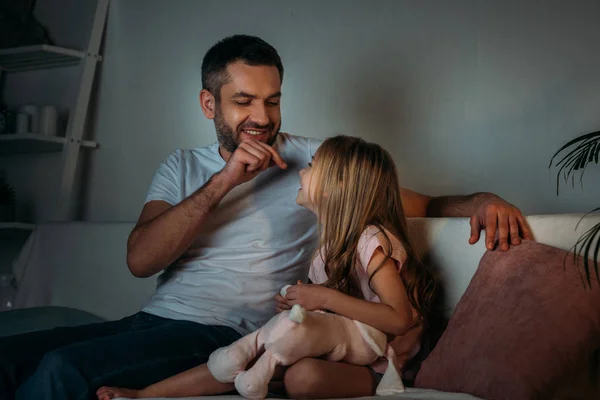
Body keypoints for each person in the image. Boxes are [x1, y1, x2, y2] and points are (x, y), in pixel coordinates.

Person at [0, 34, 533, 400]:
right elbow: (141, 260)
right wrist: (225, 180)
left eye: (273, 101)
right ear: (210, 105)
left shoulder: (319, 163)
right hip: (153, 322)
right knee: (12, 356)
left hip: (223, 332)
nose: (262, 117)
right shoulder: (183, 167)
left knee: (61, 371)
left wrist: (482, 201)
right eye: (244, 102)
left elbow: (412, 204)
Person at [96, 135, 436, 400]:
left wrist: (323, 299)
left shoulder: (370, 241)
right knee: (253, 351)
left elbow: (398, 318)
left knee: (299, 377)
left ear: (339, 186)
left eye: (312, 166)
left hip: (380, 364)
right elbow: (336, 316)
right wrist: (300, 305)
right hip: (342, 352)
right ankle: (146, 394)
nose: (302, 172)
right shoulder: (324, 251)